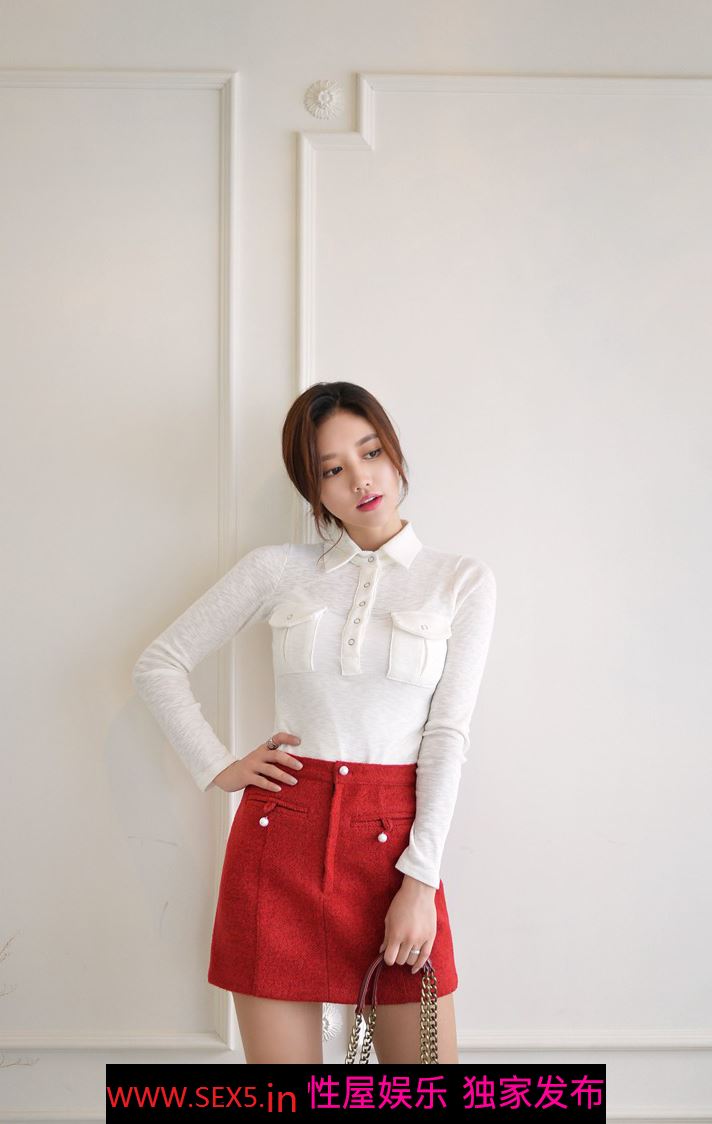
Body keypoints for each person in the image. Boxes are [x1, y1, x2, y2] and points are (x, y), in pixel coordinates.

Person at [132, 381, 497, 1063]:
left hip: (395, 849)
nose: (360, 479)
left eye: (371, 452)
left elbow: (447, 737)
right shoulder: (277, 571)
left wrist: (420, 882)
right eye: (333, 469)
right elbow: (160, 664)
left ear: (394, 454)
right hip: (280, 840)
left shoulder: (460, 581)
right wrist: (220, 766)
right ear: (314, 489)